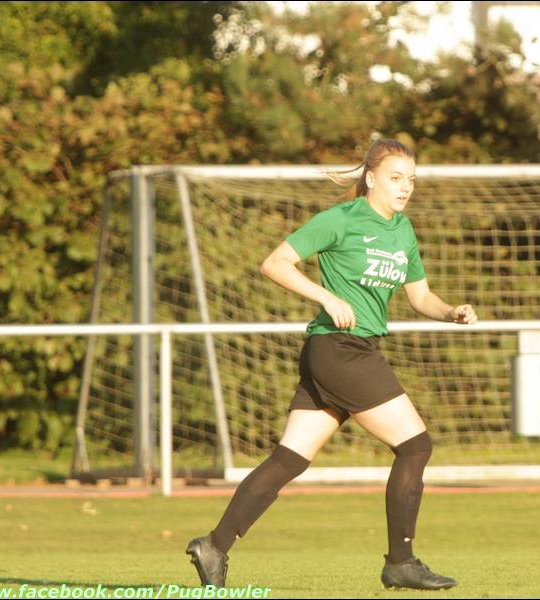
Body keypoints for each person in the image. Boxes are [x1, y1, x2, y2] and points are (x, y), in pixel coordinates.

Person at [186, 138, 478, 591]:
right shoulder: (341, 219)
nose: (405, 187)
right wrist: (326, 296)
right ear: (371, 178)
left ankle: (214, 545)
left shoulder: (402, 230)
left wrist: (451, 311)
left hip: (344, 351)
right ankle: (401, 562)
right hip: (340, 350)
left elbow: (420, 296)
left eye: (411, 179)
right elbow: (275, 263)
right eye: (396, 178)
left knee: (289, 459)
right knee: (415, 446)